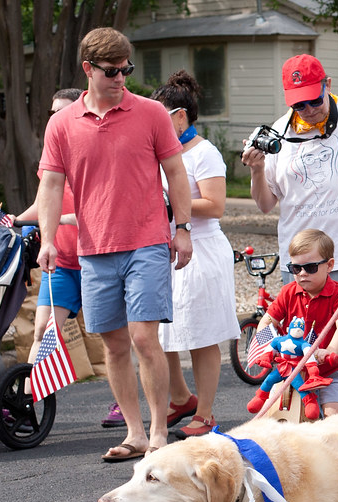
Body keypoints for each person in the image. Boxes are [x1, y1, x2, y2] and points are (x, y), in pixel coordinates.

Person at [36, 27, 193, 461]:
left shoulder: (150, 113)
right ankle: (135, 434)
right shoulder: (62, 124)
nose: (121, 77)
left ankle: (160, 432)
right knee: (114, 345)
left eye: (127, 69)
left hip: (146, 240)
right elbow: (50, 186)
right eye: (111, 71)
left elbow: (176, 173)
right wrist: (48, 240)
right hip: (93, 248)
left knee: (144, 338)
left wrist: (182, 228)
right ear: (88, 69)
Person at [241, 54, 338, 411]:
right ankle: (301, 425)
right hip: (300, 259)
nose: (309, 108)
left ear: (327, 85)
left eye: (314, 98)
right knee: (295, 344)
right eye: (299, 103)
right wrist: (257, 169)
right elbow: (265, 204)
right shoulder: (278, 132)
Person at [11, 89, 122, 426]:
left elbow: (101, 209)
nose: (55, 118)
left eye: (62, 111)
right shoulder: (50, 163)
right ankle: (26, 402)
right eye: (51, 112)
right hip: (60, 265)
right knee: (43, 329)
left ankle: (121, 403)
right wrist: (14, 220)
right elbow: (44, 204)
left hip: (95, 261)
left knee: (112, 338)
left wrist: (60, 219)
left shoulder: (94, 154)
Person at [151, 70, 239, 439]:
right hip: (164, 248)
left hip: (202, 249)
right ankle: (180, 397)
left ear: (180, 116)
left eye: (159, 116)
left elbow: (215, 205)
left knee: (203, 334)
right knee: (160, 329)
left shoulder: (205, 152)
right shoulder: (160, 151)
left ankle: (205, 413)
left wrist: (171, 203)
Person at [251, 228, 338, 417]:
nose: (302, 273)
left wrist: (331, 351)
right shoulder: (288, 291)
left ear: (329, 265)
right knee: (275, 417)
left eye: (310, 267)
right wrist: (268, 346)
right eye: (296, 268)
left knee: (335, 417)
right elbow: (266, 321)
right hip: (291, 370)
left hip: (328, 370)